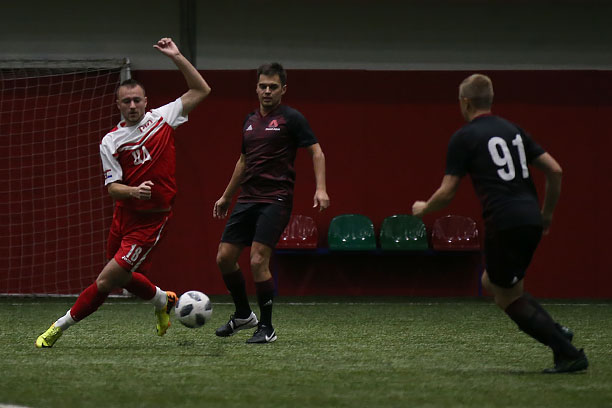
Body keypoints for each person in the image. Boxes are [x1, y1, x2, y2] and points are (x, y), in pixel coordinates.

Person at [35, 38, 211, 348]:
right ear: (118, 105)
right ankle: (164, 301)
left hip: (151, 221)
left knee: (106, 280)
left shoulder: (162, 118)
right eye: (126, 101)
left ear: (145, 101)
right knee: (122, 277)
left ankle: (57, 328)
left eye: (136, 100)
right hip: (124, 217)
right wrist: (133, 191)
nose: (132, 106)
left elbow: (201, 90)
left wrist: (177, 56)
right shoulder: (111, 141)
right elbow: (113, 190)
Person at [412, 73, 588, 373]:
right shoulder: (513, 130)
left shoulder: (464, 137)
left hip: (504, 221)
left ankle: (567, 353)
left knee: (505, 296)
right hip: (530, 217)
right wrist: (547, 214)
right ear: (490, 100)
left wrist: (424, 208)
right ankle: (555, 330)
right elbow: (555, 170)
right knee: (495, 282)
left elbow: (447, 191)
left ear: (465, 102)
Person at [213, 62, 329, 344]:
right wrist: (227, 196)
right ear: (256, 88)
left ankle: (267, 327)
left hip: (276, 199)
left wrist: (321, 189)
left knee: (257, 259)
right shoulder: (249, 120)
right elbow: (243, 161)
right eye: (263, 86)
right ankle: (243, 315)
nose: (267, 91)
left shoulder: (292, 118)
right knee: (224, 258)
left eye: (273, 87)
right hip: (247, 198)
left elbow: (317, 152)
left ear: (283, 89)